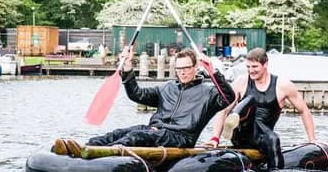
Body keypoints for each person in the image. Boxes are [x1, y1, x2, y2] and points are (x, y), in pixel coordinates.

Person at [53, 47, 235, 157]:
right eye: (179, 68)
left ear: (196, 67)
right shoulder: (167, 87)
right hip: (155, 130)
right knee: (116, 133)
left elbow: (229, 97)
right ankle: (82, 148)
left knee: (137, 137)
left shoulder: (208, 92)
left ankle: (95, 155)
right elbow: (137, 95)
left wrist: (214, 72)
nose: (182, 72)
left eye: (187, 68)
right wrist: (127, 67)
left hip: (180, 137)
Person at [206, 48, 316, 169]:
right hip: (241, 133)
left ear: (265, 64)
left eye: (254, 67)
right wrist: (215, 138)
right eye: (248, 67)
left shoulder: (283, 85)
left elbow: (304, 111)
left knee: (274, 138)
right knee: (250, 100)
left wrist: (312, 140)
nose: (251, 71)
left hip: (262, 137)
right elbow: (224, 111)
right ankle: (232, 121)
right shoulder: (241, 81)